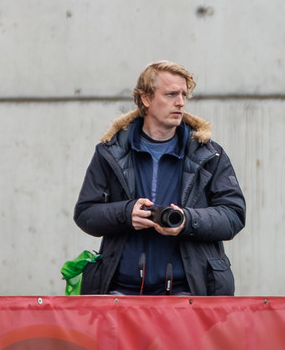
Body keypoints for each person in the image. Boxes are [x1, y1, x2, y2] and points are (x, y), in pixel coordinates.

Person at [74, 60, 246, 295]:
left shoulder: (209, 153)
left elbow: (233, 215)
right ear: (146, 98)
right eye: (171, 94)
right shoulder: (110, 152)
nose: (181, 102)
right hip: (122, 293)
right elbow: (85, 214)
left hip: (188, 293)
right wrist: (126, 214)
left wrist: (187, 220)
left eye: (184, 94)